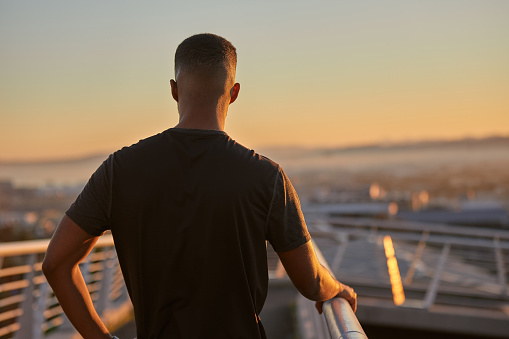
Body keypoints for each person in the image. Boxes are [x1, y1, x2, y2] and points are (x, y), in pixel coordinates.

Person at [42, 33, 356, 339]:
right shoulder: (266, 177)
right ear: (233, 93)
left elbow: (56, 263)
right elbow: (310, 280)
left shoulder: (119, 170)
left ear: (174, 90)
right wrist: (337, 289)